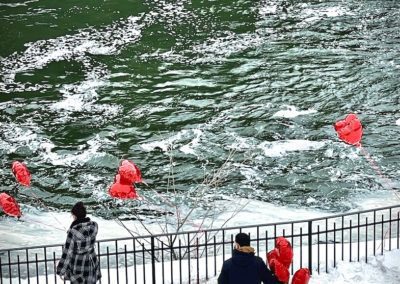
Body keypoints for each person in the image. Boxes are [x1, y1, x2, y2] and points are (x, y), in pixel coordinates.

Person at [57, 202, 101, 283]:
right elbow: (85, 235)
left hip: (78, 265)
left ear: (74, 215)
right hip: (92, 262)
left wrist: (61, 270)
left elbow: (67, 252)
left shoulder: (73, 231)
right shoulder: (94, 225)